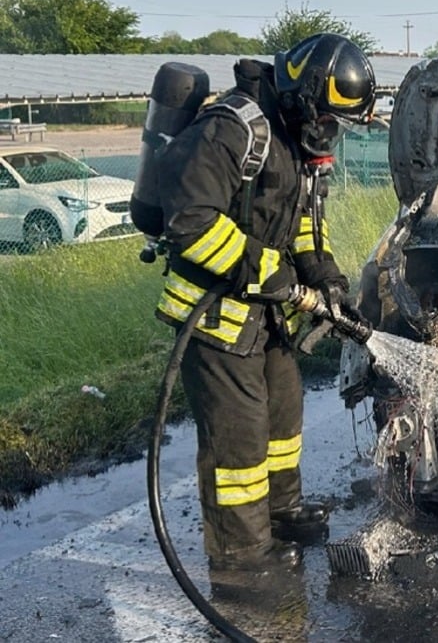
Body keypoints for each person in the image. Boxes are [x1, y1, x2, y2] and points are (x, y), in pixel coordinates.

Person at [153, 33, 376, 572]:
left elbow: (299, 224)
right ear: (301, 96)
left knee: (282, 416)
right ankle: (242, 556)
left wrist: (326, 281)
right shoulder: (233, 129)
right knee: (240, 443)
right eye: (324, 115)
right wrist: (267, 271)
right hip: (215, 317)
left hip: (268, 313)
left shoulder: (292, 139)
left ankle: (282, 514)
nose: (328, 130)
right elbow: (190, 221)